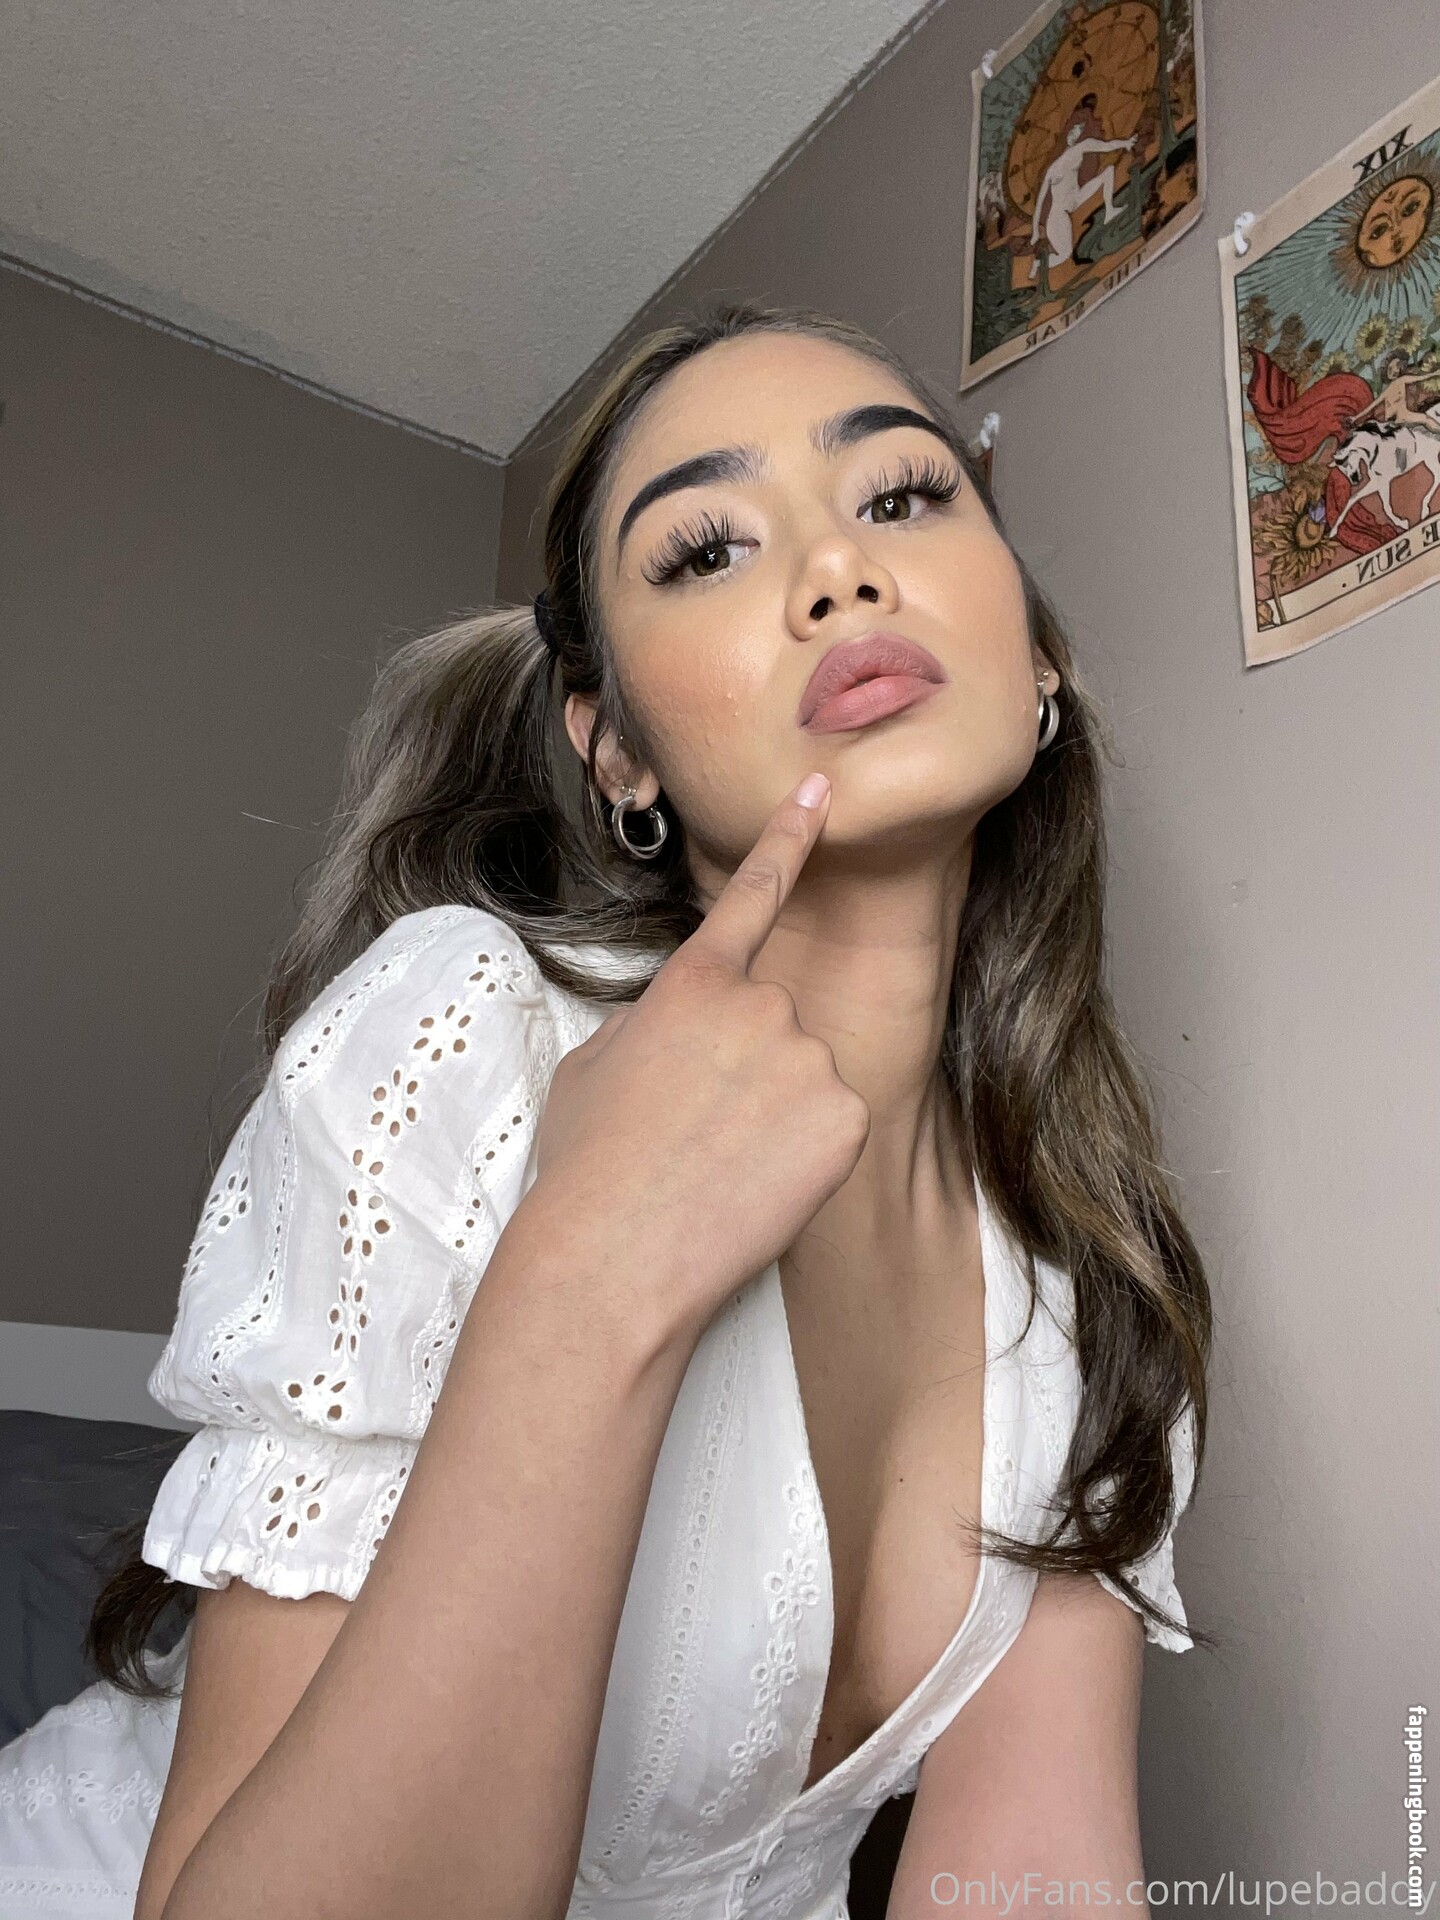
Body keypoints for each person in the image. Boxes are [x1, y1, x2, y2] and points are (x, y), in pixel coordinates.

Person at [0, 301, 1212, 1920]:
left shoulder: (1090, 1287)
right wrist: (590, 1273)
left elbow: (1033, 1876)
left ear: (1037, 658)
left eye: (905, 496)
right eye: (706, 550)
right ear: (617, 750)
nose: (839, 570)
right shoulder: (465, 1028)